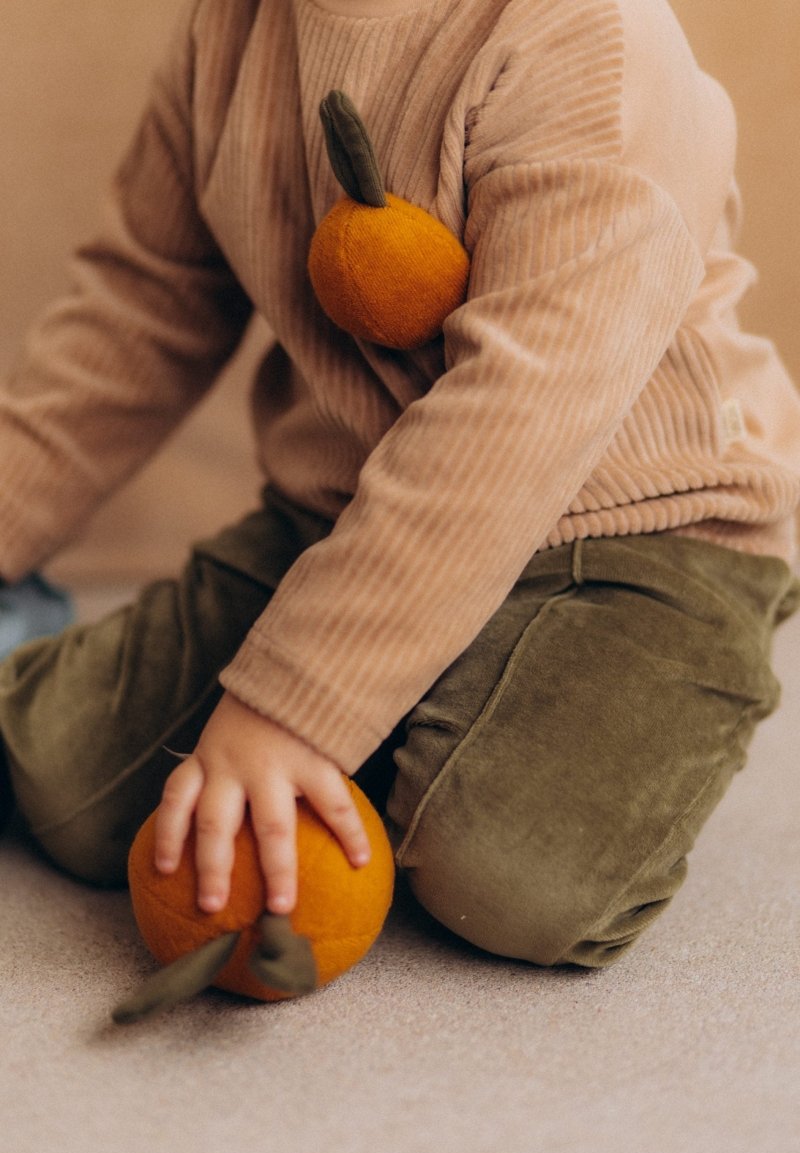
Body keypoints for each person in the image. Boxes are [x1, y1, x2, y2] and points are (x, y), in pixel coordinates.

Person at [1, 0, 799, 969]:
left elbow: (523, 412)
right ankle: (396, 704)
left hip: (635, 519)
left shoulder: (587, 37)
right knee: (64, 776)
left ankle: (571, 695)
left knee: (508, 875)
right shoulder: (230, 27)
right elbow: (140, 311)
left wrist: (291, 706)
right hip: (351, 506)